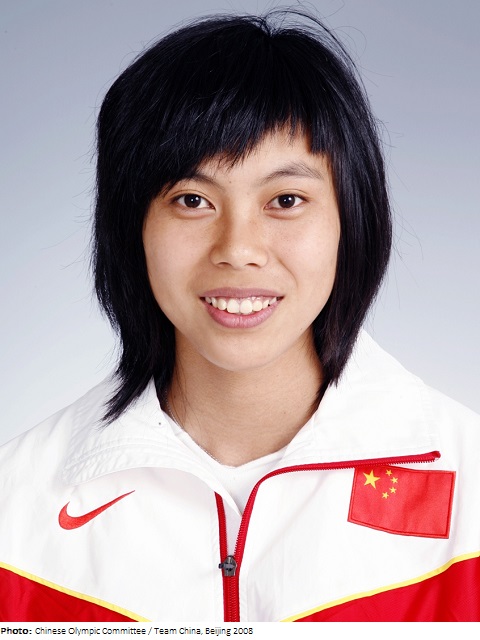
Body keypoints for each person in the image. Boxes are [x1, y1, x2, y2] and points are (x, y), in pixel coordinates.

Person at [0, 10, 479, 623]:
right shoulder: (18, 512)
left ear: (351, 220)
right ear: (131, 228)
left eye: (286, 200)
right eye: (192, 200)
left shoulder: (470, 499)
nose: (238, 248)